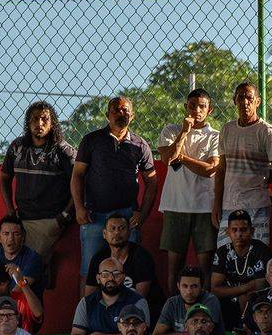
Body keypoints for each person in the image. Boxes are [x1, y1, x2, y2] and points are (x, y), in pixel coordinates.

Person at [72, 95, 157, 281]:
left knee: (129, 272)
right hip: (94, 216)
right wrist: (79, 207)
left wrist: (142, 213)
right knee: (89, 272)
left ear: (132, 115)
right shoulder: (91, 141)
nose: (121, 113)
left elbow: (151, 182)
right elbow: (77, 175)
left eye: (125, 110)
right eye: (116, 110)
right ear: (107, 115)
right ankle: (86, 310)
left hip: (127, 218)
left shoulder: (140, 145)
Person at [155, 90, 220, 291]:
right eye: (192, 105)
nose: (197, 110)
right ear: (186, 107)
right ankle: (173, 313)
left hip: (204, 208)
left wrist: (182, 157)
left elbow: (209, 169)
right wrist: (184, 131)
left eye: (202, 106)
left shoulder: (215, 136)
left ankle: (205, 314)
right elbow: (167, 159)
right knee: (174, 269)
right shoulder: (171, 130)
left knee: (206, 268)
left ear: (209, 110)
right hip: (175, 207)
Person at [0, 101, 77, 269]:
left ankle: (42, 272)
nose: (39, 123)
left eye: (44, 119)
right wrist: (10, 210)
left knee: (29, 264)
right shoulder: (17, 147)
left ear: (53, 123)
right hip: (21, 217)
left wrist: (64, 216)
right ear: (28, 122)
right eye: (34, 119)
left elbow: (79, 185)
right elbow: (4, 178)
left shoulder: (63, 151)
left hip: (48, 219)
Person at [212, 82, 272, 244]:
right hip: (229, 205)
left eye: (249, 98)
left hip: (257, 205)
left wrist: (258, 180)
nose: (245, 102)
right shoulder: (227, 129)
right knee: (226, 252)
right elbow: (221, 169)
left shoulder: (267, 131)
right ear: (234, 101)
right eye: (240, 97)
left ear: (257, 102)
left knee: (257, 251)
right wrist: (216, 204)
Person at [210, 209, 272, 329]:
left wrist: (236, 291)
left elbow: (261, 286)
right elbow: (215, 290)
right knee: (211, 301)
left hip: (255, 300)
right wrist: (244, 288)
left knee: (250, 299)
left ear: (252, 231)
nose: (239, 234)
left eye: (243, 230)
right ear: (228, 232)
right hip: (229, 301)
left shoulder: (261, 250)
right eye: (234, 230)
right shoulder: (222, 252)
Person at [83, 212, 156, 300]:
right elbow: (89, 297)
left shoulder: (142, 257)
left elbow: (139, 299)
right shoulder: (98, 259)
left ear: (129, 232)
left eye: (121, 228)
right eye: (112, 229)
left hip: (137, 310)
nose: (117, 232)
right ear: (104, 234)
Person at [151, 267, 222, 335]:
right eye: (185, 286)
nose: (189, 292)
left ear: (202, 287)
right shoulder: (172, 303)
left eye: (194, 286)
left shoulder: (210, 300)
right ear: (178, 286)